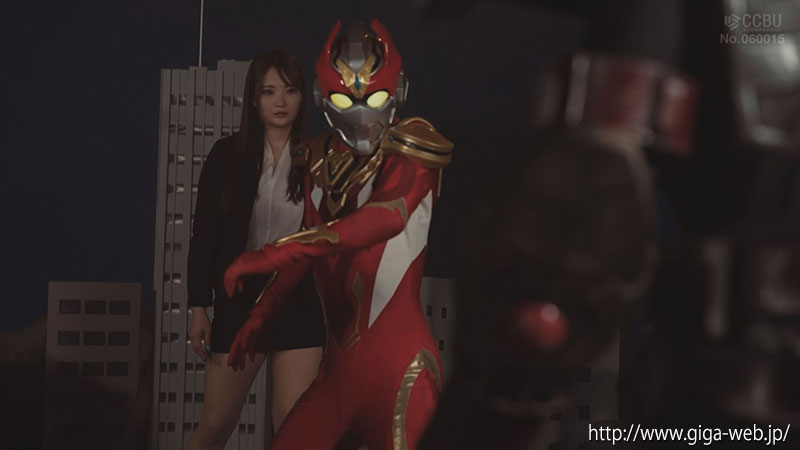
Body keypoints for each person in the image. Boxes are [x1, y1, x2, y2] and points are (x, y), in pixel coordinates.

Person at [222, 20, 454, 450]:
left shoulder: (411, 151)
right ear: (322, 97)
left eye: (376, 98)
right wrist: (261, 311)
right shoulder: (316, 159)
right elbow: (313, 246)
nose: (362, 113)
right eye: (346, 99)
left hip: (399, 374)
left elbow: (383, 219)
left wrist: (275, 252)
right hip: (336, 380)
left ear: (398, 90)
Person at [186, 50, 324, 450]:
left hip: (298, 299)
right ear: (254, 98)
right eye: (269, 91)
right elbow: (204, 235)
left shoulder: (316, 156)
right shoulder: (227, 155)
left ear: (302, 97)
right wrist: (198, 306)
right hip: (239, 299)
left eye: (290, 90)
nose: (280, 101)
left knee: (293, 428)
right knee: (215, 426)